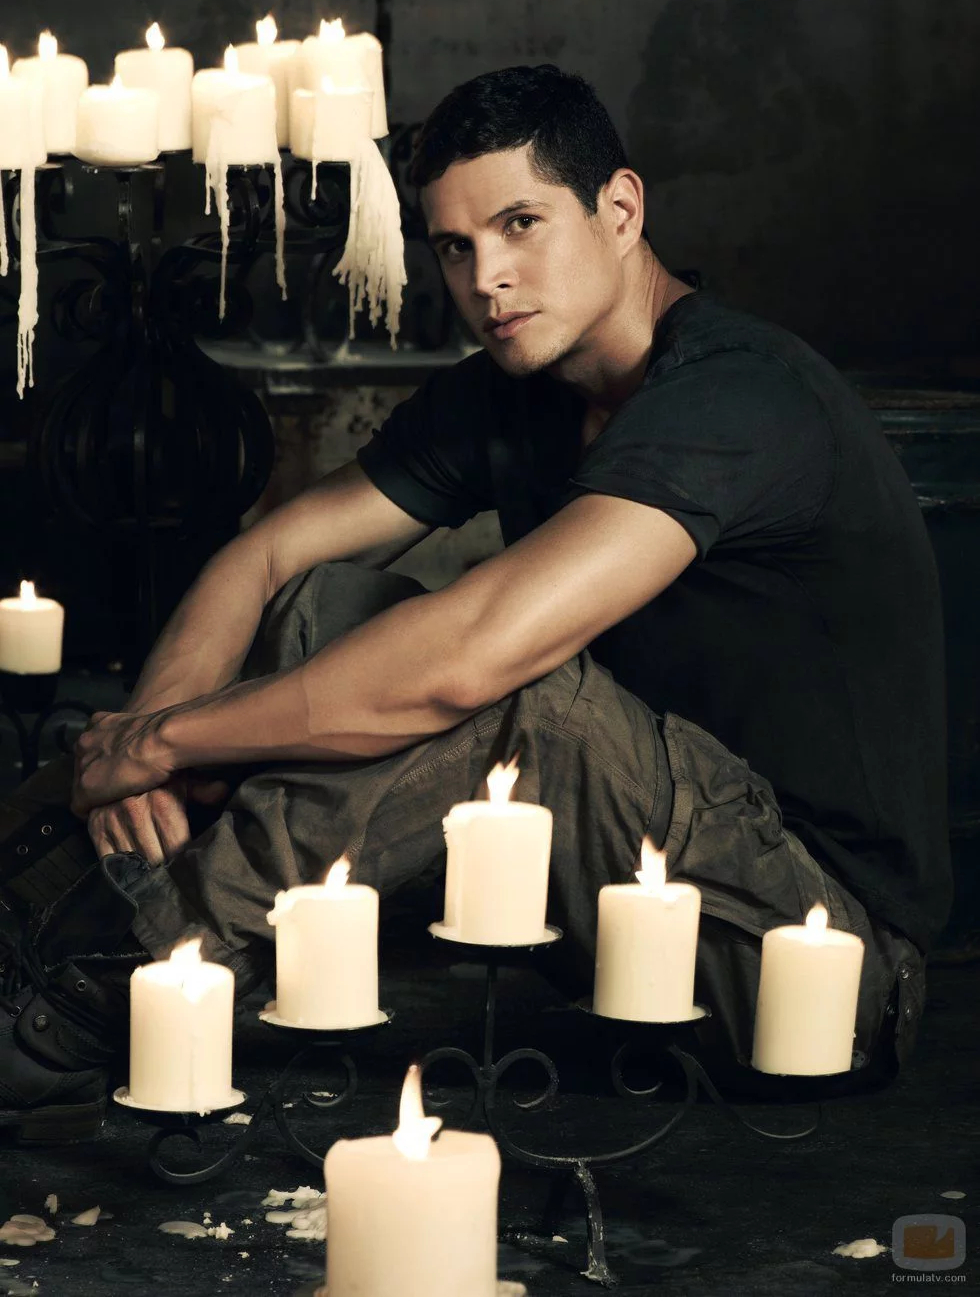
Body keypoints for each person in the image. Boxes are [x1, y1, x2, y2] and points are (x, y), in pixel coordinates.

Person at [0, 64, 950, 1143]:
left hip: (814, 958)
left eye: (519, 225)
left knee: (513, 695)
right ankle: (34, 899)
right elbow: (266, 558)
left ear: (620, 210)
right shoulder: (513, 393)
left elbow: (472, 660)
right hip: (631, 903)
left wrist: (167, 743)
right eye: (454, 246)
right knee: (330, 604)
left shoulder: (738, 394)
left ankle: (104, 981)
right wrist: (144, 729)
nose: (486, 278)